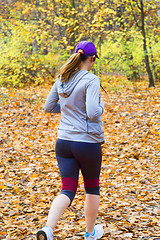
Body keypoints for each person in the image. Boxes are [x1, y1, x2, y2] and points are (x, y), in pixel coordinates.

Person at [36, 41, 105, 240]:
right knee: (91, 187)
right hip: (86, 144)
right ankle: (90, 233)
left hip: (63, 143)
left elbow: (49, 106)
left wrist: (67, 110)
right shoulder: (91, 80)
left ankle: (48, 229)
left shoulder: (62, 78)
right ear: (92, 58)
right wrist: (102, 107)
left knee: (67, 189)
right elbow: (92, 112)